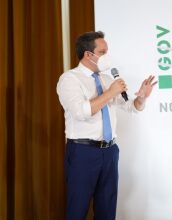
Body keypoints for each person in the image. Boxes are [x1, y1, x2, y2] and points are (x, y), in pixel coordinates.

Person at [57, 31, 157, 220]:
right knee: (77, 209)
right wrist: (110, 92)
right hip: (83, 152)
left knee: (107, 209)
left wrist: (142, 97)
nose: (107, 57)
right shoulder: (70, 79)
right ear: (88, 54)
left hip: (110, 151)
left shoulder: (107, 79)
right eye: (102, 52)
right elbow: (81, 111)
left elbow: (132, 107)